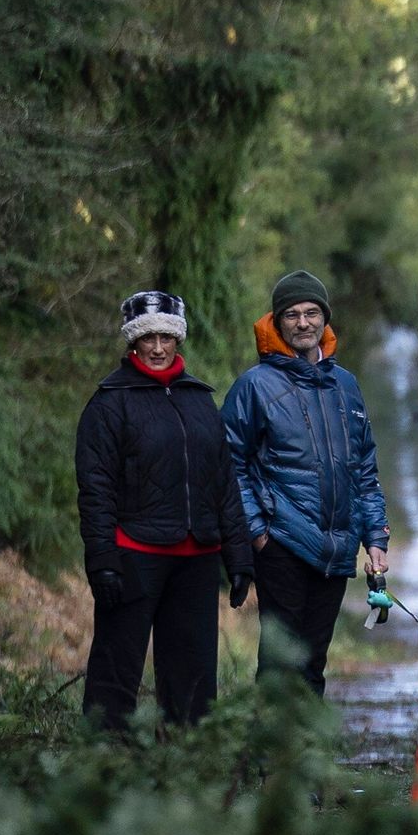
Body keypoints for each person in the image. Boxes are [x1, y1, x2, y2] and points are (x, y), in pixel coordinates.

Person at [75, 288, 255, 732]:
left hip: (196, 561)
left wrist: (240, 556)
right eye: (147, 338)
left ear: (179, 341)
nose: (157, 348)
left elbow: (223, 481)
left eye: (166, 337)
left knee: (193, 677)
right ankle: (104, 762)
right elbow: (95, 489)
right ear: (133, 342)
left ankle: (187, 767)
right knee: (116, 669)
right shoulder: (109, 402)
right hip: (133, 555)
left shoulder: (199, 400)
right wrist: (102, 560)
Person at [222, 268, 391, 694]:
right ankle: (270, 758)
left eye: (312, 312)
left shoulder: (346, 386)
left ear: (324, 319)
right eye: (292, 314)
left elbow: (364, 469)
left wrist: (375, 539)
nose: (303, 323)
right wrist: (258, 533)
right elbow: (229, 464)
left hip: (337, 547)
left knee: (314, 661)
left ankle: (303, 755)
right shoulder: (254, 386)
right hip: (282, 546)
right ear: (277, 322)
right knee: (281, 661)